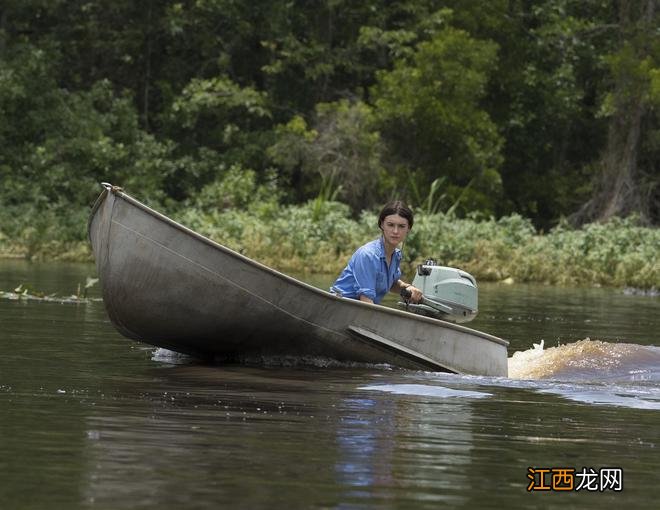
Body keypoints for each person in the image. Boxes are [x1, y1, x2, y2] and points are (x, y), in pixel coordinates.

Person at [331, 201, 423, 305]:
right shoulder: (367, 255)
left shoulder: (396, 255)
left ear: (408, 229)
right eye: (390, 225)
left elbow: (390, 283)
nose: (396, 231)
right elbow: (366, 302)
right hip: (339, 305)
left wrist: (407, 287)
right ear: (382, 225)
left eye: (401, 226)